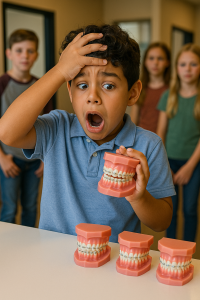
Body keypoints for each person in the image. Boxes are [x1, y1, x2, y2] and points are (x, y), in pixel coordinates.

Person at [0, 24, 175, 242]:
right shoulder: (57, 128)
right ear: (70, 92)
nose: (93, 96)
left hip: (112, 266)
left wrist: (138, 197)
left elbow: (162, 222)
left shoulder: (148, 145)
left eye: (108, 86)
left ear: (133, 93)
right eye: (82, 85)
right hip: (52, 259)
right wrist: (60, 71)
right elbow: (6, 132)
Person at [0, 29, 52, 226]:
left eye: (30, 51)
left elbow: (49, 125)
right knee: (9, 210)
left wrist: (45, 159)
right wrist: (2, 158)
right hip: (8, 159)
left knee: (31, 207)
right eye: (19, 50)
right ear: (9, 53)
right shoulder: (2, 84)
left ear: (36, 55)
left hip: (34, 159)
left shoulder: (40, 86)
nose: (25, 56)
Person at [157, 43, 200, 242]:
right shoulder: (169, 96)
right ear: (176, 68)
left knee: (190, 210)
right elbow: (160, 133)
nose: (188, 69)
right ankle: (171, 250)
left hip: (194, 162)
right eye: (183, 64)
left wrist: (190, 166)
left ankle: (188, 252)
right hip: (169, 161)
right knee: (170, 211)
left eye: (193, 64)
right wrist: (164, 164)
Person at [130, 42, 170, 133]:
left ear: (167, 62)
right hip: (141, 139)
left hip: (161, 141)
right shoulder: (139, 88)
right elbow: (133, 121)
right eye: (151, 58)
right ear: (145, 62)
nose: (155, 62)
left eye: (160, 58)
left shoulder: (171, 90)